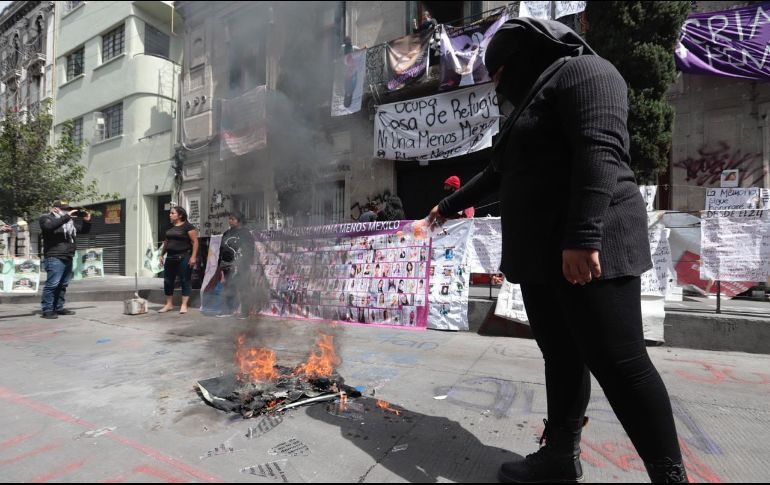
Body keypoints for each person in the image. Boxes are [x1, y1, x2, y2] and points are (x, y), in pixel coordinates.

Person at [428, 18, 686, 484]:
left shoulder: (587, 73)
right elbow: (496, 175)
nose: (499, 85)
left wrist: (583, 236)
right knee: (562, 356)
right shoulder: (530, 103)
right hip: (542, 259)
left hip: (589, 249)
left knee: (620, 364)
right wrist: (445, 208)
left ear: (526, 54)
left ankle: (670, 478)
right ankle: (560, 458)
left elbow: (600, 150)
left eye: (501, 73)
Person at [38, 199, 91, 319]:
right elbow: (49, 227)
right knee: (52, 284)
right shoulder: (46, 218)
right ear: (55, 209)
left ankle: (59, 307)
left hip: (68, 255)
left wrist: (87, 221)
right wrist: (67, 217)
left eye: (68, 209)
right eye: (64, 209)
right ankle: (47, 309)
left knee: (63, 284)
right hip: (54, 256)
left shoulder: (69, 223)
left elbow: (84, 230)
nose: (67, 211)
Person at [158, 206, 199, 314]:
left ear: (180, 215)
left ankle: (184, 305)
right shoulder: (170, 228)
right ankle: (169, 304)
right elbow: (166, 242)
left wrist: (193, 257)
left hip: (183, 257)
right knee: (167, 281)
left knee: (185, 280)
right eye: (170, 213)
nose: (170, 215)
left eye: (172, 213)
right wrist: (162, 255)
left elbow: (195, 242)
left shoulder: (188, 226)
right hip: (170, 257)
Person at [217, 211, 254, 319]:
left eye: (232, 219)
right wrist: (221, 265)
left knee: (243, 288)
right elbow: (221, 250)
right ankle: (228, 310)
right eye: (229, 219)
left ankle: (245, 312)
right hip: (227, 265)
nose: (230, 221)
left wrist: (243, 263)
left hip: (241, 265)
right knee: (228, 287)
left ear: (239, 221)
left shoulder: (245, 233)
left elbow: (249, 250)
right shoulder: (226, 233)